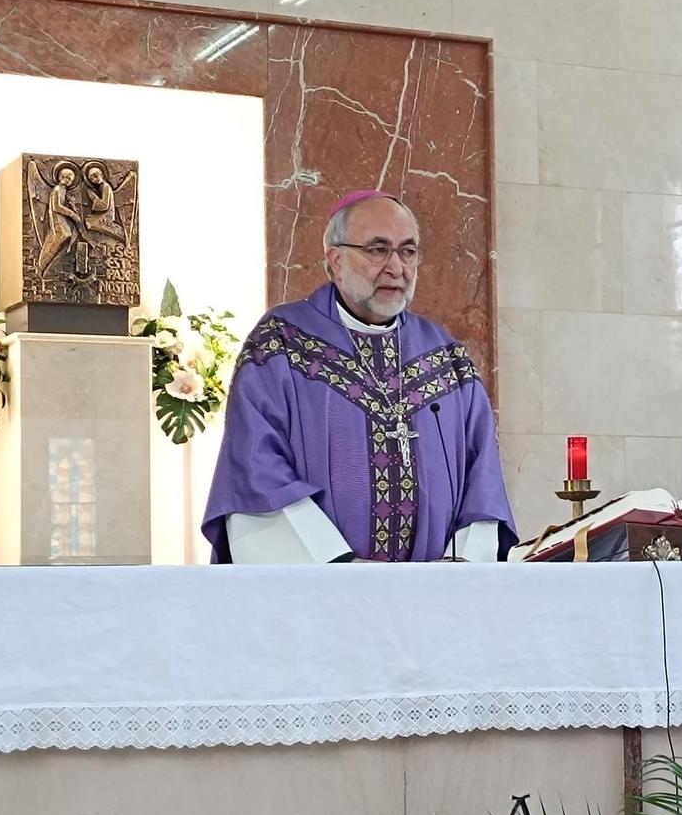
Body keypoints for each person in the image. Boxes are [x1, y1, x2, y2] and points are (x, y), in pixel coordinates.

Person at [202, 190, 516, 562]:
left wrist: (462, 564)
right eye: (377, 249)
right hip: (326, 595)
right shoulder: (281, 346)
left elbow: (483, 479)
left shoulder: (447, 358)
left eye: (408, 251)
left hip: (435, 596)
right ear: (335, 261)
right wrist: (340, 565)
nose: (396, 268)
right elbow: (255, 472)